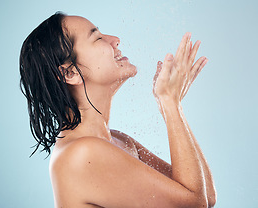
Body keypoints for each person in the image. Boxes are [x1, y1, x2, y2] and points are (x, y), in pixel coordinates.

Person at [20, 12, 216, 208]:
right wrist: (170, 103)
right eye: (97, 38)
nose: (115, 40)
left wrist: (170, 106)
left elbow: (206, 195)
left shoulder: (118, 140)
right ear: (69, 73)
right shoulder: (82, 154)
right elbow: (195, 205)